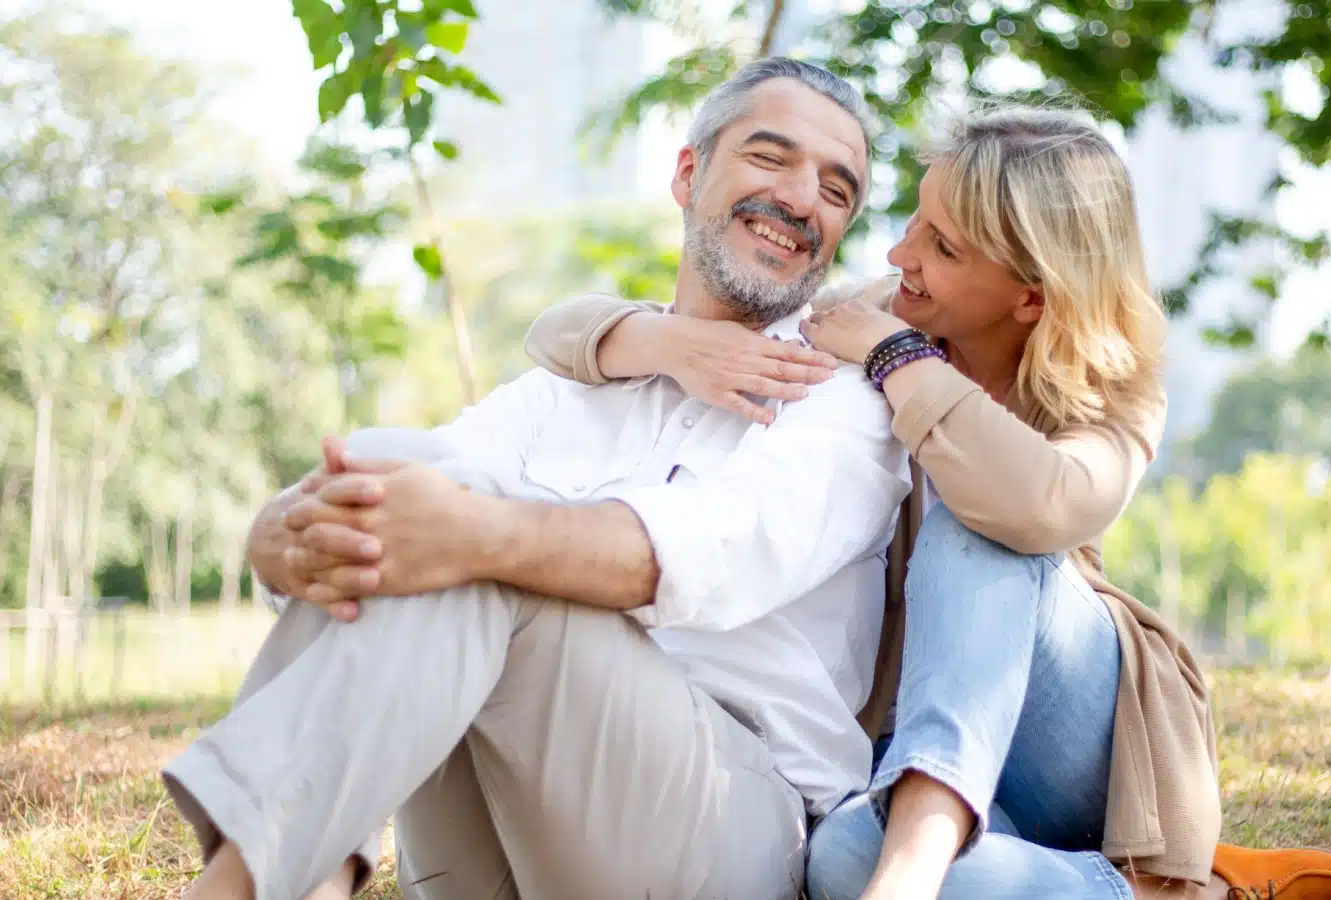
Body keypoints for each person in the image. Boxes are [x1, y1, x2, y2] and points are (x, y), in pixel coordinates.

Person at [523, 106, 1331, 899]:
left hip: (1076, 745)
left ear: (1032, 295)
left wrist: (903, 361)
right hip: (916, 767)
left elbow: (1042, 505)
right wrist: (665, 340)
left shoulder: (1113, 382)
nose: (900, 256)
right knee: (839, 860)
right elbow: (552, 332)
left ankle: (913, 870)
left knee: (977, 536)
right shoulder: (873, 314)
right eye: (912, 221)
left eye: (943, 246)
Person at [161, 58, 912, 900]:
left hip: (722, 825)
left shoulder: (846, 397)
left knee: (482, 550)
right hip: (481, 839)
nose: (804, 200)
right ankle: (303, 872)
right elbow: (400, 500)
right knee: (408, 466)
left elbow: (714, 551)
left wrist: (478, 536)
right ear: (689, 173)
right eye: (770, 159)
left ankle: (266, 883)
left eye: (837, 190)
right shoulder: (577, 382)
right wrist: (274, 545)